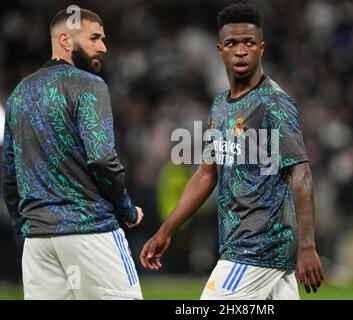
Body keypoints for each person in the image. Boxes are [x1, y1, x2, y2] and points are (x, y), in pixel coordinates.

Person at [140, 2, 324, 300]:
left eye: (249, 43)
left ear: (261, 48)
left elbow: (301, 174)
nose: (241, 50)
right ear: (220, 50)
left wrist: (307, 247)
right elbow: (204, 175)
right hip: (248, 247)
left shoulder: (273, 103)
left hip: (255, 247)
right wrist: (166, 230)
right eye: (232, 44)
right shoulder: (220, 105)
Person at [1, 8, 143, 300]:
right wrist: (127, 210)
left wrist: (25, 229)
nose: (103, 47)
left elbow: (9, 175)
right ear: (65, 40)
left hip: (38, 241)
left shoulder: (19, 94)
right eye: (94, 38)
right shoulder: (89, 85)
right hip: (89, 230)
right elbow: (102, 158)